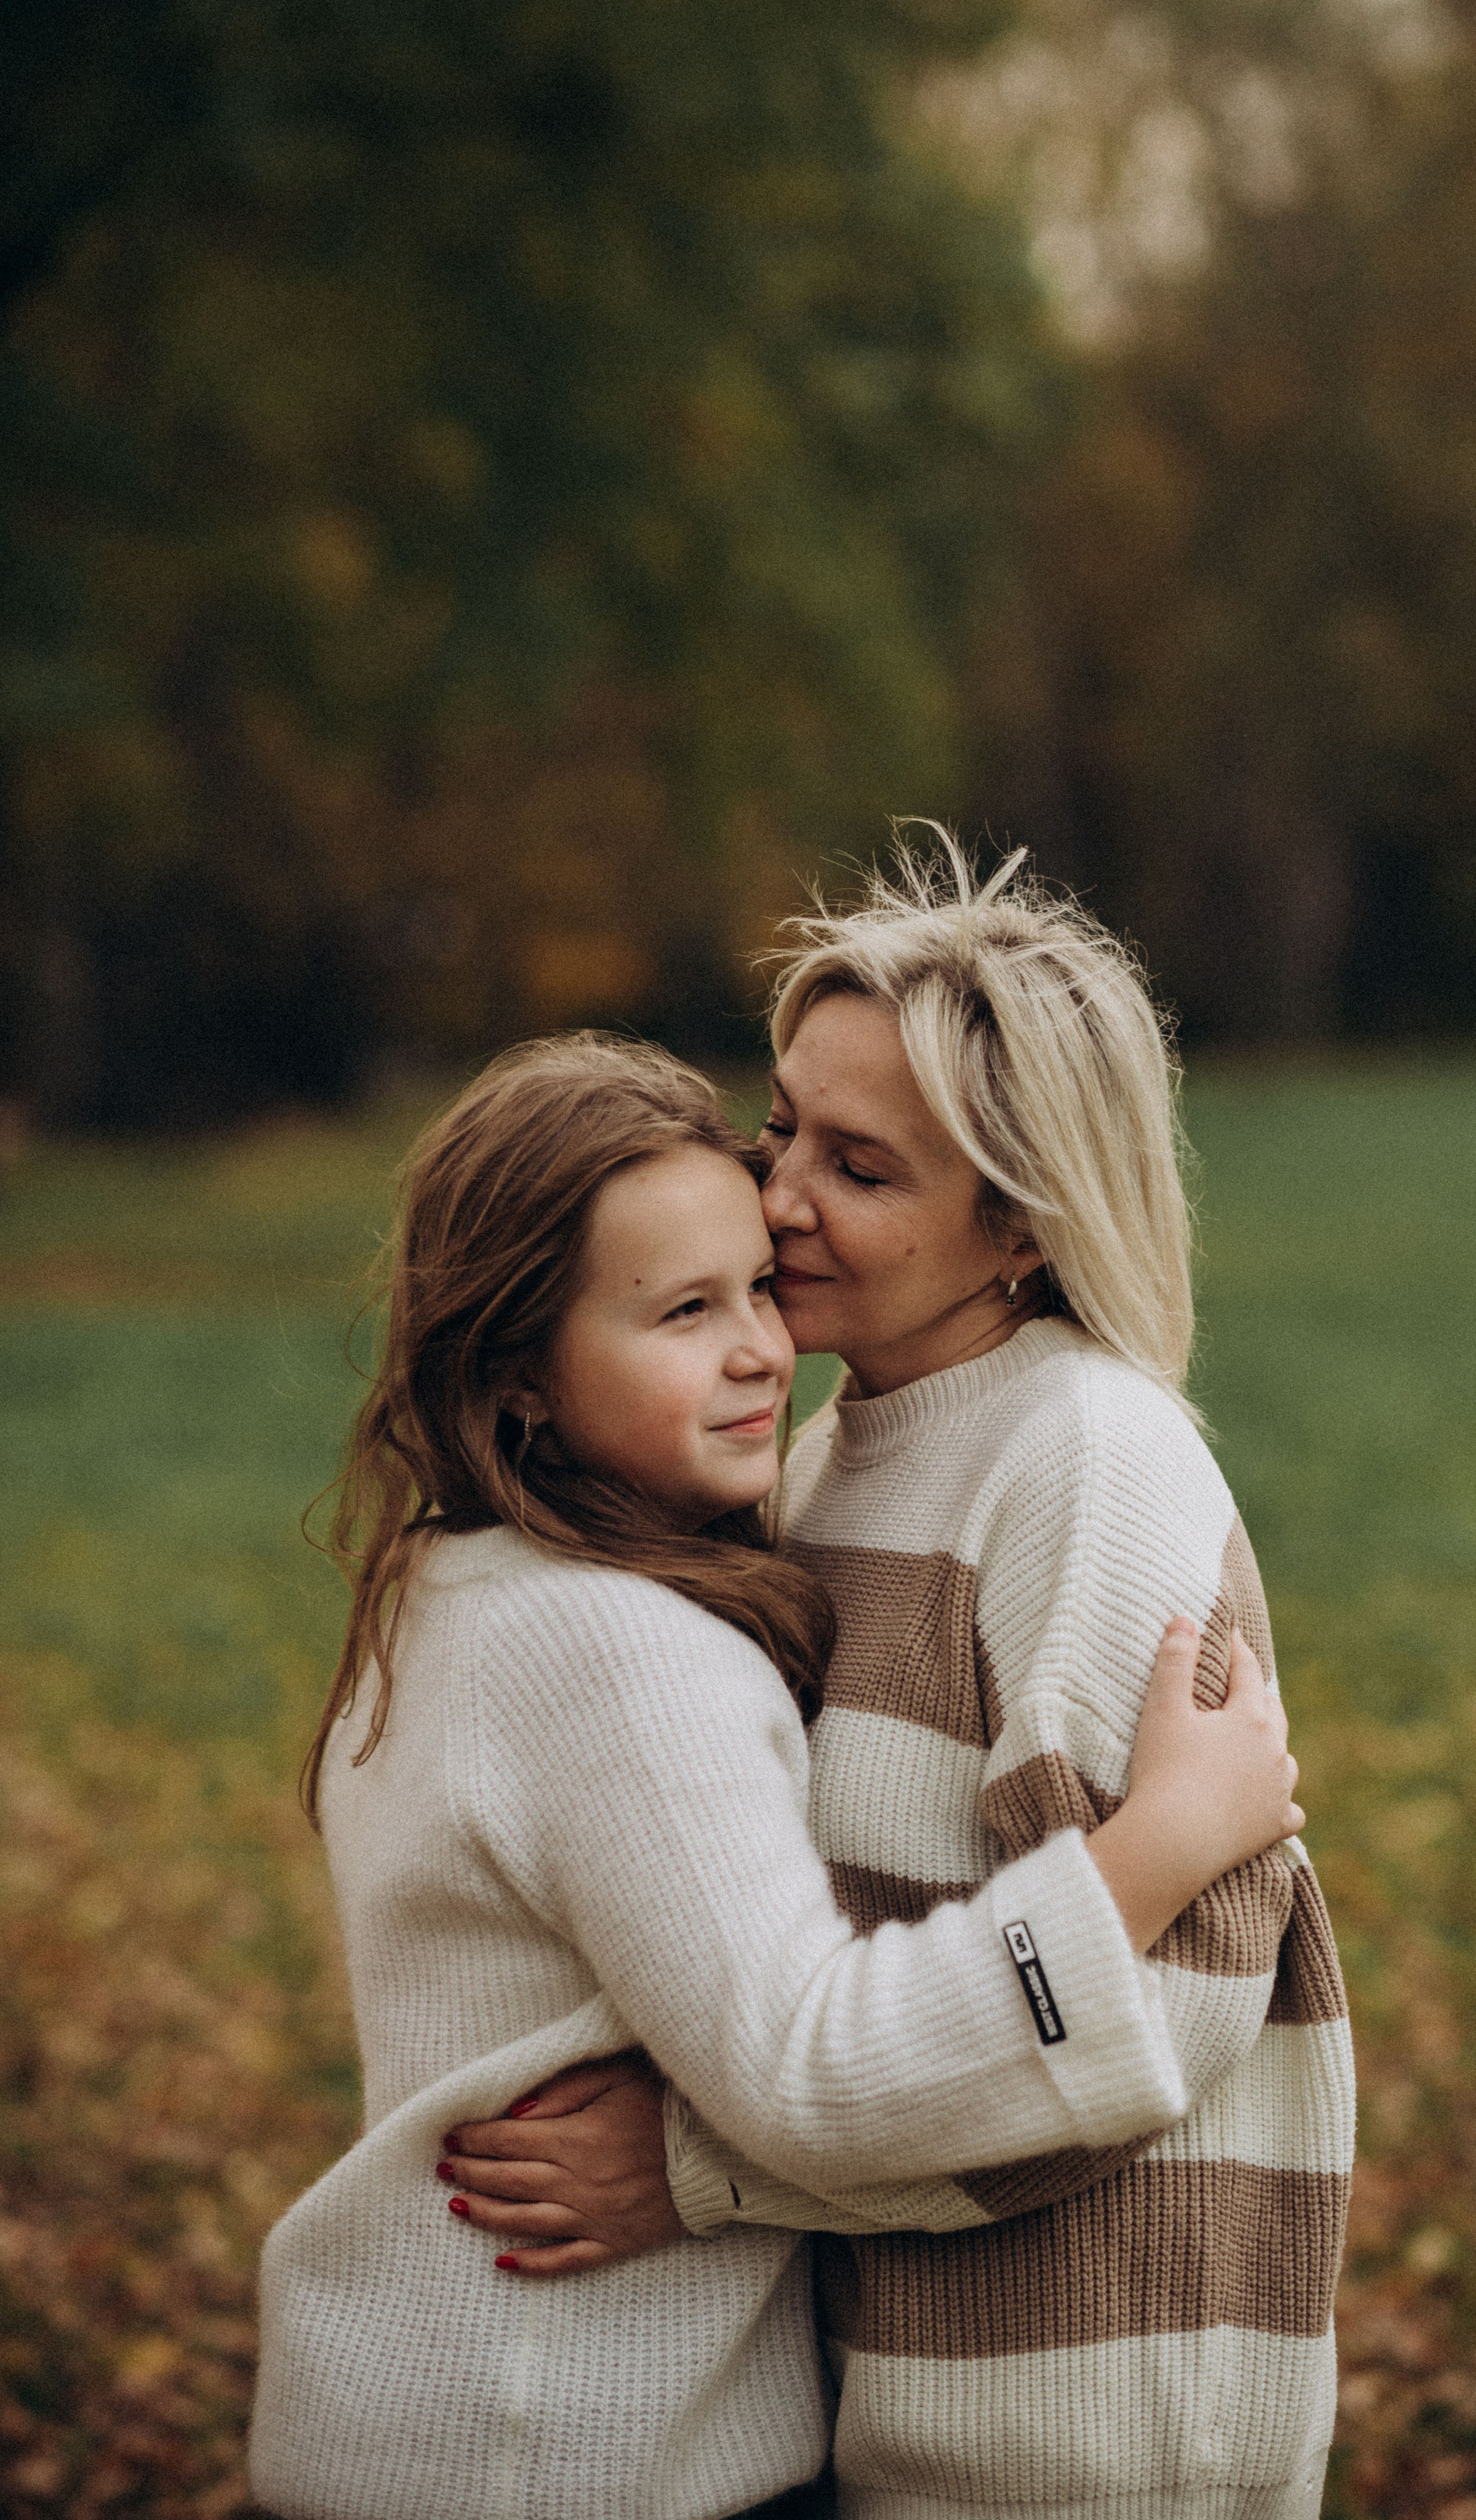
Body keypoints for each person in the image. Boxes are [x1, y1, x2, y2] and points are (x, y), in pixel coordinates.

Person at [247, 1031, 1307, 2520]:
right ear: (521, 1377)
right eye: (683, 1311)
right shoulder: (616, 1645)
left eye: (753, 1287)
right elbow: (814, 2068)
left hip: (487, 2419)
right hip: (559, 2449)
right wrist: (1159, 1845)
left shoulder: (462, 1581)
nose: (761, 1345)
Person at [456, 838, 1356, 2519]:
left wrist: (707, 2169)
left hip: (1087, 2421)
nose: (775, 1190)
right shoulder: (817, 1460)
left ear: (1017, 1221)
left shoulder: (1088, 1464)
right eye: (782, 1120)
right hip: (895, 2397)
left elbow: (1165, 2003)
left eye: (857, 1167)